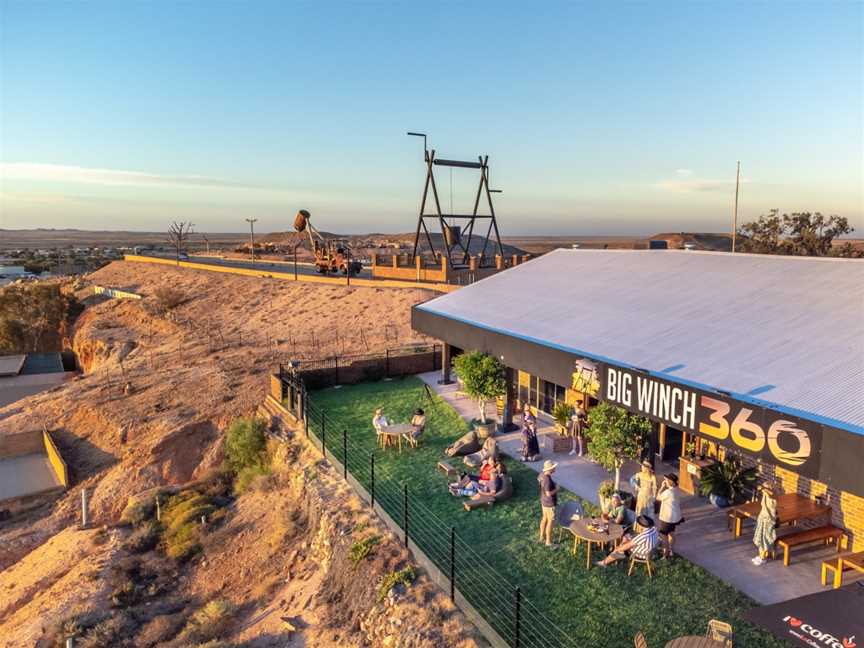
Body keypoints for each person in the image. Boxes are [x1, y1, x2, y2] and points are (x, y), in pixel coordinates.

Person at [656, 473, 684, 558]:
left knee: (663, 535)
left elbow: (658, 497)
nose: (665, 481)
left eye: (666, 480)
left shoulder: (668, 492)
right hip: (675, 517)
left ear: (671, 482)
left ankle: (665, 554)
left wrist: (662, 487)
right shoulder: (677, 490)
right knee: (671, 533)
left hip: (667, 518)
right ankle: (671, 550)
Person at [752, 483, 779, 566]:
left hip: (768, 521)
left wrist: (763, 488)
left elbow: (771, 494)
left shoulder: (773, 496)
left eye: (766, 487)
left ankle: (763, 558)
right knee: (760, 538)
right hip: (762, 518)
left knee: (765, 540)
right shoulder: (765, 494)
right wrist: (763, 489)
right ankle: (761, 555)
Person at [538, 460, 559, 547]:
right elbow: (548, 493)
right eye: (554, 467)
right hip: (549, 503)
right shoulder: (547, 479)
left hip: (543, 501)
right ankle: (548, 542)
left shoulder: (541, 475)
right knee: (550, 521)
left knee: (544, 518)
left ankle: (541, 537)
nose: (555, 468)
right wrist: (557, 489)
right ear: (550, 469)